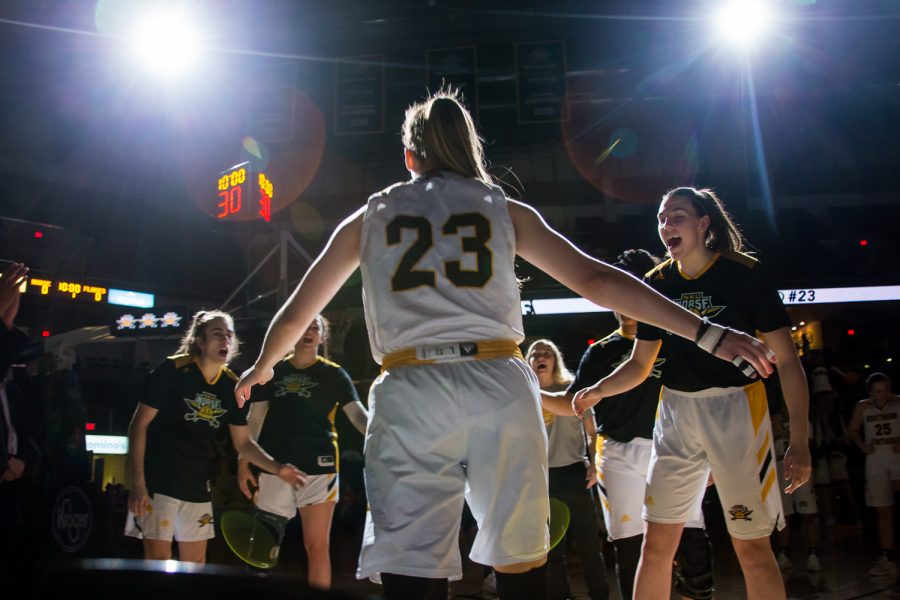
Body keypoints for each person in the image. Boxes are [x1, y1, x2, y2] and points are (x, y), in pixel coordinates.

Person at [234, 91, 775, 600]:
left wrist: (262, 365)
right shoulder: (500, 207)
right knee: (519, 554)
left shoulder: (373, 213)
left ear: (409, 156)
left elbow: (297, 311)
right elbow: (598, 280)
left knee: (411, 560)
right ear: (469, 148)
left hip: (411, 383)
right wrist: (708, 332)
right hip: (496, 376)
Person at [573, 187, 811, 600]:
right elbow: (639, 364)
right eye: (662, 219)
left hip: (736, 411)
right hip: (675, 414)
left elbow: (788, 363)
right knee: (656, 545)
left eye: (677, 216)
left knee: (752, 548)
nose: (666, 226)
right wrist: (598, 389)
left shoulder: (744, 275)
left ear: (704, 224)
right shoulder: (655, 283)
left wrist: (801, 441)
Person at [542, 249, 713, 600]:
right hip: (618, 453)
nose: (625, 297)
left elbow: (704, 395)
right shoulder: (601, 351)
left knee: (692, 545)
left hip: (676, 449)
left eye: (634, 286)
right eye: (619, 288)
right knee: (630, 547)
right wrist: (529, 392)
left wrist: (711, 453)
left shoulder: (676, 337)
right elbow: (569, 404)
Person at [126, 310, 306, 564]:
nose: (225, 340)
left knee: (196, 567)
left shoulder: (233, 386)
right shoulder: (173, 370)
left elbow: (243, 443)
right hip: (159, 484)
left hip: (198, 487)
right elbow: (138, 425)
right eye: (217, 334)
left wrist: (278, 469)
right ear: (199, 341)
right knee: (158, 565)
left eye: (229, 335)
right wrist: (138, 483)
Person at [237, 315, 368, 589]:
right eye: (303, 326)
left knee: (317, 547)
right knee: (262, 546)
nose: (308, 332)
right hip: (275, 467)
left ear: (322, 337)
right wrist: (243, 462)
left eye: (315, 328)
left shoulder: (334, 373)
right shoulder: (272, 371)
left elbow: (357, 416)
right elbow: (255, 419)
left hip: (320, 469)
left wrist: (383, 436)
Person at [525, 339, 609, 600]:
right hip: (541, 479)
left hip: (574, 473)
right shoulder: (523, 395)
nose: (540, 356)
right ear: (528, 362)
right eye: (535, 353)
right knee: (552, 552)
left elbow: (594, 433)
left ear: (554, 359)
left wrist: (595, 465)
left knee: (589, 547)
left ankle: (600, 594)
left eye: (546, 353)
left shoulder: (571, 391)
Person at [848, 372, 900, 577]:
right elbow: (852, 430)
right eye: (878, 391)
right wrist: (862, 445)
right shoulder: (863, 407)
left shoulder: (898, 403)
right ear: (871, 392)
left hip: (897, 456)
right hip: (876, 458)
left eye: (886, 390)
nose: (883, 394)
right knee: (883, 510)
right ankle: (886, 556)